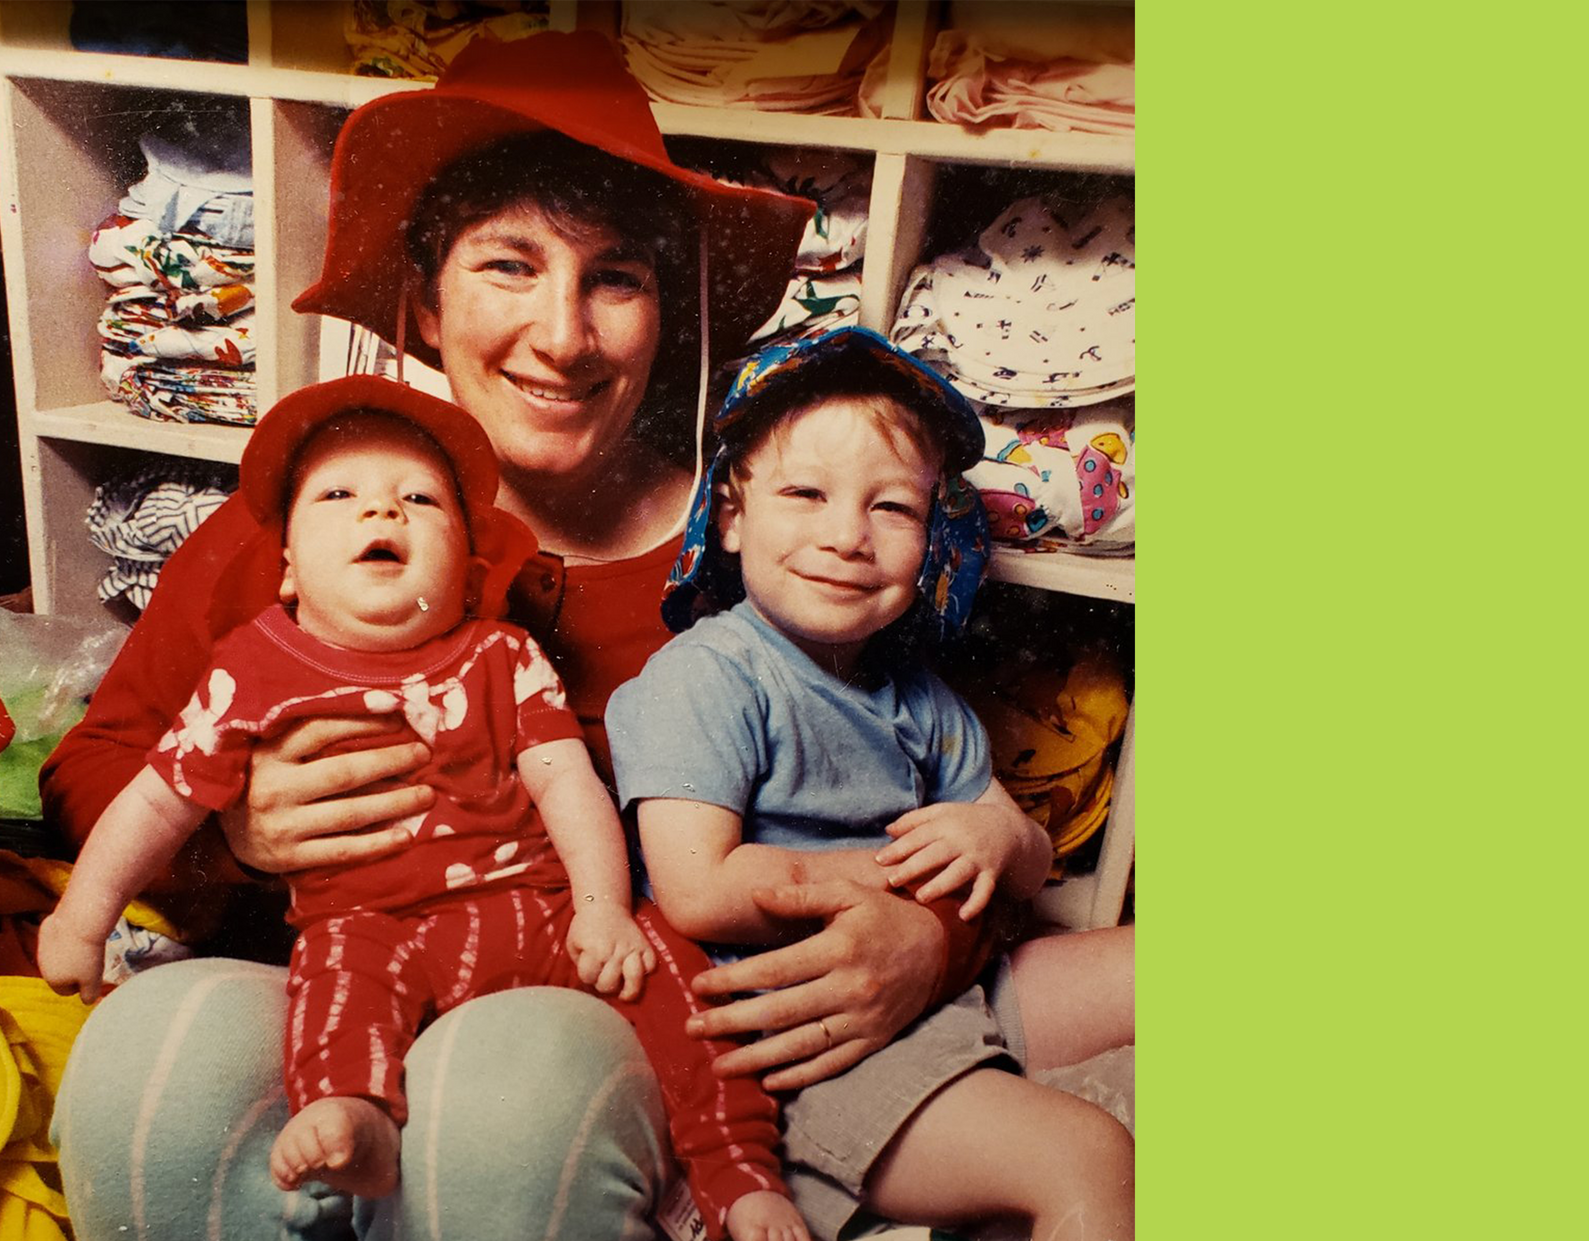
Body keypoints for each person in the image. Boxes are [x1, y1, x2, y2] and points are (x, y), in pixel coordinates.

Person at [41, 32, 1042, 1241]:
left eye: (614, 278)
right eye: (508, 265)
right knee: (147, 1076)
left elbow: (911, 780)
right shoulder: (318, 522)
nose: (562, 335)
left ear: (668, 315)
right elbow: (92, 767)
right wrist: (235, 838)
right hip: (321, 983)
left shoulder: (768, 553)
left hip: (592, 1007)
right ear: (424, 298)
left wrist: (937, 933)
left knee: (507, 1106)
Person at [37, 377, 804, 1241]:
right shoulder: (250, 669)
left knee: (674, 978)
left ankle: (736, 1170)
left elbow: (567, 784)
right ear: (286, 567)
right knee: (333, 994)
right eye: (338, 497)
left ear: (468, 566)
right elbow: (153, 798)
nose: (382, 513)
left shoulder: (500, 655)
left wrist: (599, 907)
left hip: (537, 909)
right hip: (371, 925)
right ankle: (352, 1110)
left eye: (419, 500)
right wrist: (84, 914)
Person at [607, 327, 1134, 1241]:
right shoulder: (709, 676)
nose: (846, 535)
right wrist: (906, 880)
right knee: (1088, 1157)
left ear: (931, 530)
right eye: (805, 493)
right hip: (810, 1045)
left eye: (891, 507)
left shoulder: (911, 692)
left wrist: (996, 838)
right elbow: (696, 888)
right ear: (731, 517)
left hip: (936, 991)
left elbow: (1028, 855)